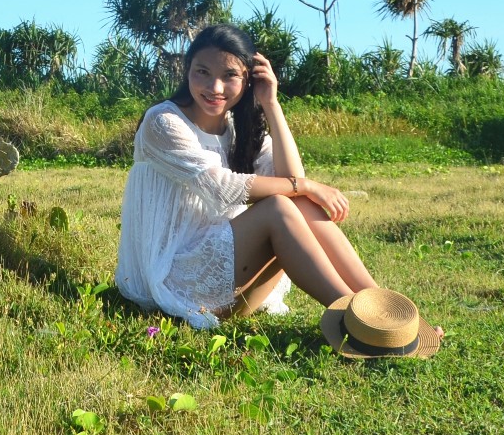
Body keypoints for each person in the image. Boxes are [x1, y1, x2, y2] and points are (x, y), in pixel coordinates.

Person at [114, 24, 388, 330]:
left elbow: (291, 180)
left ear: (248, 80)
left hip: (231, 287)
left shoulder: (239, 129)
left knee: (297, 203)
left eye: (229, 75)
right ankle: (361, 321)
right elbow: (220, 188)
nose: (214, 87)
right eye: (202, 72)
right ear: (187, 70)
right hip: (171, 284)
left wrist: (271, 103)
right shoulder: (164, 122)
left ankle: (386, 311)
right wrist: (308, 186)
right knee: (280, 207)